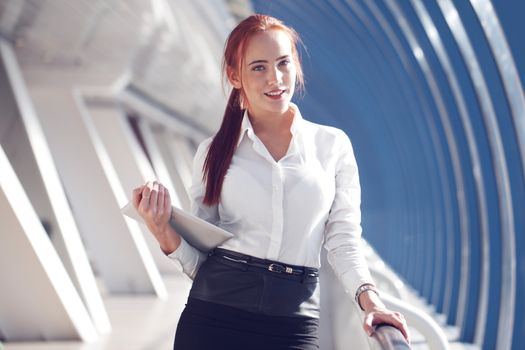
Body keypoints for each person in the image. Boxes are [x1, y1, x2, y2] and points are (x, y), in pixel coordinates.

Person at [132, 14, 410, 350]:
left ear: (296, 66)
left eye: (283, 63)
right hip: (213, 317)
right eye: (258, 67)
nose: (275, 79)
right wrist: (163, 230)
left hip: (293, 321)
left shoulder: (332, 146)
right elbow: (201, 260)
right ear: (235, 76)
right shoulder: (213, 152)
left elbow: (343, 240)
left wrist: (371, 302)